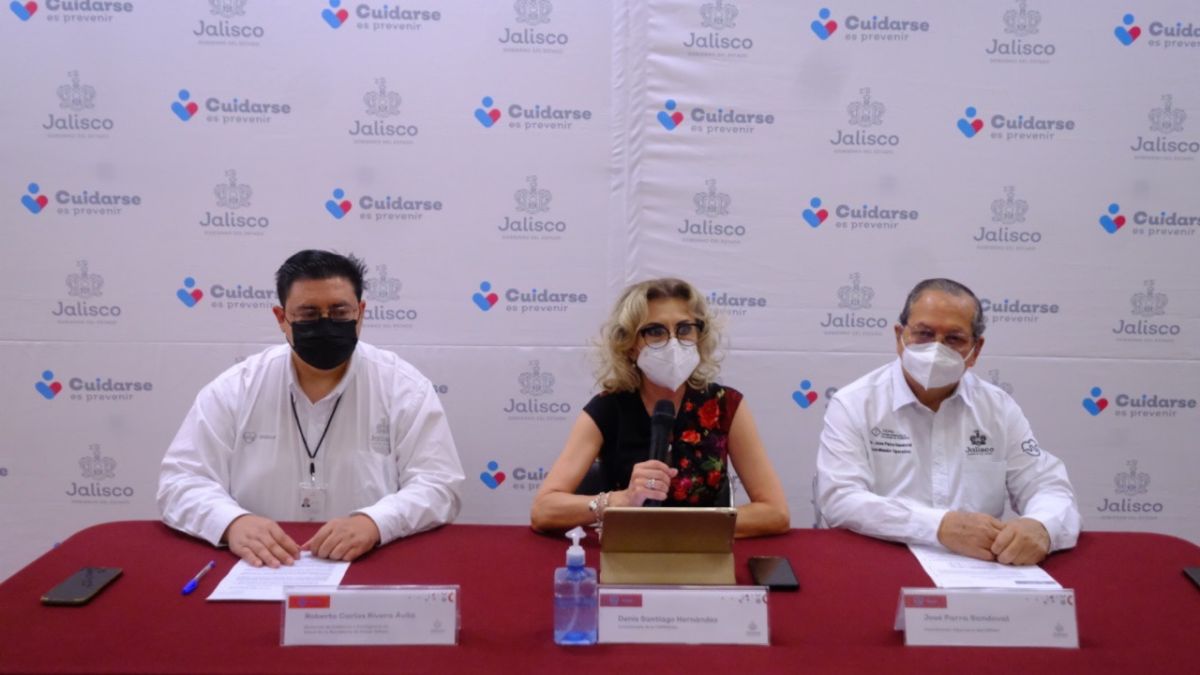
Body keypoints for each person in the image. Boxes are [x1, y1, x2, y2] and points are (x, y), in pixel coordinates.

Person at [158, 250, 464, 567]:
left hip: (369, 564)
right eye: (308, 314)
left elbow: (440, 485)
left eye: (340, 311)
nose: (325, 324)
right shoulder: (236, 388)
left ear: (361, 312)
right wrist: (232, 522)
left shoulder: (405, 389)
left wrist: (376, 522)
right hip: (263, 566)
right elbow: (180, 482)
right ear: (281, 318)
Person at [815, 278, 1080, 565]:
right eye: (924, 334)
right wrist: (938, 526)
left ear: (976, 350)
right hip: (882, 562)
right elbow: (840, 499)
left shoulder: (998, 408)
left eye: (954, 339)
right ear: (899, 337)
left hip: (981, 568)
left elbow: (1046, 485)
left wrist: (1041, 525)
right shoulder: (855, 403)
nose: (936, 349)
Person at [531, 278, 790, 538]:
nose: (673, 343)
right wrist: (621, 499)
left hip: (703, 553)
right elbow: (544, 510)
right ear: (630, 346)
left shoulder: (724, 405)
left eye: (684, 329)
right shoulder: (607, 409)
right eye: (655, 331)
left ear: (699, 337)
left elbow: (775, 512)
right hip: (626, 552)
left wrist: (675, 529)